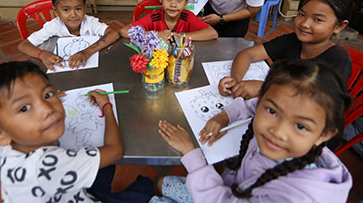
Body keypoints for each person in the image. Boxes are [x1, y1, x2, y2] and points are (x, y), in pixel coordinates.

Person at [151, 60, 352, 202]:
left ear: (324, 135)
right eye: (272, 111)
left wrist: (190, 153)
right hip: (232, 187)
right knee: (162, 183)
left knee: (157, 196)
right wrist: (223, 117)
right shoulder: (279, 126)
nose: (277, 131)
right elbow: (252, 105)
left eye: (300, 126)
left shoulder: (299, 195)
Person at [0, 61, 153, 203]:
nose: (47, 109)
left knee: (102, 166)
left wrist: (5, 131)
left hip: (61, 190)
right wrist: (106, 106)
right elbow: (115, 151)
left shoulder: (3, 141)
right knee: (146, 185)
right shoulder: (50, 163)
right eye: (24, 108)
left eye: (48, 94)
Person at [219, 0, 355, 100]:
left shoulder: (338, 60)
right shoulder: (292, 41)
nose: (305, 24)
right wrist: (236, 80)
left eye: (318, 20)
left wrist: (266, 88)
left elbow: (319, 103)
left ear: (339, 26)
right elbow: (247, 54)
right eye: (301, 14)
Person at [18, 0, 119, 71]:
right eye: (66, 10)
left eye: (78, 9)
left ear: (85, 8)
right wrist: (42, 54)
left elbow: (113, 33)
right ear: (56, 11)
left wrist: (86, 52)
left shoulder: (89, 22)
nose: (73, 15)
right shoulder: (53, 26)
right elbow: (23, 45)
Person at [120, 0, 218, 41]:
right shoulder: (154, 18)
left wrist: (180, 36)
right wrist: (156, 35)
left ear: (186, 1)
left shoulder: (187, 17)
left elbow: (213, 33)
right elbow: (124, 31)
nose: (173, 4)